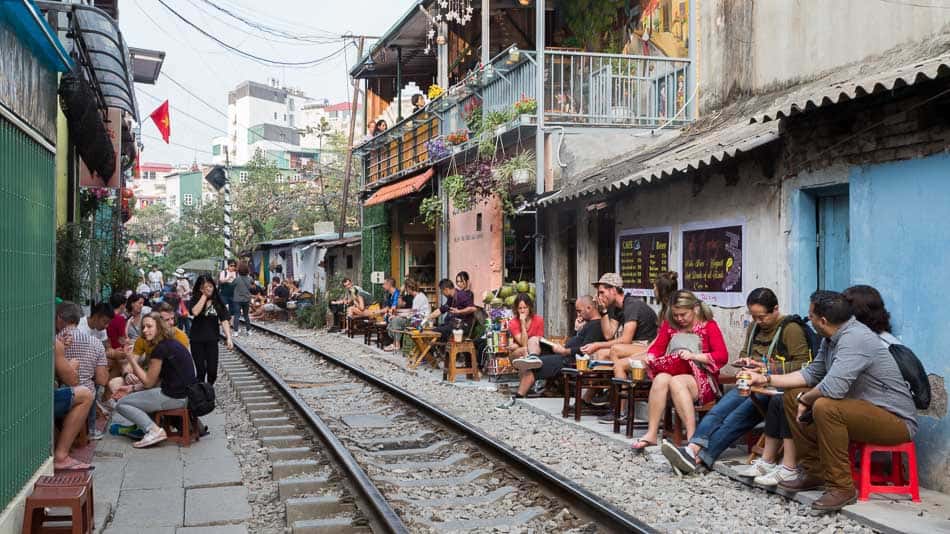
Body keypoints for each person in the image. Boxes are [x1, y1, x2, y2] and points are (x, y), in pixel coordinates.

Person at [747, 290, 917, 511]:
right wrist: (766, 378)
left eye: (811, 316)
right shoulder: (831, 338)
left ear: (823, 321)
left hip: (895, 421)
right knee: (790, 396)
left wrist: (806, 399)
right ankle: (814, 471)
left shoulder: (855, 339)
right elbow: (811, 374)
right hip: (860, 410)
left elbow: (833, 388)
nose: (808, 319)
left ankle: (842, 488)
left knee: (825, 406)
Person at [660, 288, 811, 482]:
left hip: (775, 387)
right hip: (750, 381)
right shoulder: (754, 327)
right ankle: (691, 449)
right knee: (719, 410)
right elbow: (743, 352)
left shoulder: (791, 329)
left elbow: (803, 365)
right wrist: (745, 362)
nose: (758, 321)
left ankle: (702, 459)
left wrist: (766, 368)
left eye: (762, 317)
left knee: (736, 418)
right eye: (754, 317)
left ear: (775, 310)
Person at [631, 290, 728, 452]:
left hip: (701, 378)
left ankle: (692, 438)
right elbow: (658, 347)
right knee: (661, 378)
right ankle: (652, 433)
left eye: (683, 315)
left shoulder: (708, 326)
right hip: (675, 372)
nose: (679, 319)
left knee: (677, 381)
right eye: (675, 315)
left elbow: (722, 356)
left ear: (695, 309)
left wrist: (694, 356)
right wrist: (651, 356)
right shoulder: (670, 325)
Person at [114, 313, 198, 448]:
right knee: (135, 397)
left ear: (159, 327)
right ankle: (152, 428)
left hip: (175, 397)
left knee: (121, 404)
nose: (145, 330)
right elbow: (156, 378)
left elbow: (148, 382)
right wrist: (132, 389)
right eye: (143, 327)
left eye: (149, 326)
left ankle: (153, 430)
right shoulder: (171, 344)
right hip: (186, 395)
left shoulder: (160, 349)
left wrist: (130, 359)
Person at [502, 295, 605, 406]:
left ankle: (518, 398)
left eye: (579, 311)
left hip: (568, 359)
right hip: (565, 354)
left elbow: (585, 350)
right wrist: (577, 330)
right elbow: (579, 342)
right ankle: (533, 357)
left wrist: (564, 351)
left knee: (531, 369)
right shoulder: (588, 323)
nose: (578, 314)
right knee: (534, 340)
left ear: (589, 308)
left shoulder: (595, 325)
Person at [56, 302, 109, 440]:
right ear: (78, 319)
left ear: (59, 319)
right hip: (76, 395)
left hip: (59, 390)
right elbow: (102, 380)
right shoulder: (96, 342)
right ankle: (90, 429)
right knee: (91, 386)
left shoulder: (53, 341)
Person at [581, 273, 658, 360]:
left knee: (602, 353)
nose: (599, 297)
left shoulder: (631, 305)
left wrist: (597, 345)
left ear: (613, 290)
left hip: (646, 346)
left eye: (602, 292)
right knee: (599, 353)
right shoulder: (617, 308)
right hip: (633, 345)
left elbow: (626, 340)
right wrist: (603, 311)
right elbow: (609, 335)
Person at [53, 337, 94, 470]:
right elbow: (73, 380)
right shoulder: (53, 341)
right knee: (85, 394)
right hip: (40, 401)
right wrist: (72, 366)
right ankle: (61, 456)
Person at [189, 274, 233, 384]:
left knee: (212, 371)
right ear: (200, 288)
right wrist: (204, 296)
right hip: (197, 340)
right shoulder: (195, 299)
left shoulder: (217, 300)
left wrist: (229, 338)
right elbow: (195, 312)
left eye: (210, 286)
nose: (208, 289)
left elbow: (224, 319)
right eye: (205, 287)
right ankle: (202, 396)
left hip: (212, 340)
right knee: (201, 371)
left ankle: (209, 388)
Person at [385, 278, 430, 351]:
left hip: (420, 322)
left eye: (406, 289)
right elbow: (412, 312)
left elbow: (412, 314)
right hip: (418, 319)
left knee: (396, 321)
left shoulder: (418, 298)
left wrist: (399, 315)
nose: (406, 291)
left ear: (408, 288)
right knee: (395, 319)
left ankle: (396, 344)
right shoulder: (419, 296)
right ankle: (395, 344)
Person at [507, 294, 544, 358]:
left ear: (530, 307)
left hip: (535, 350)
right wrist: (523, 325)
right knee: (523, 350)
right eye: (520, 308)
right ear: (516, 309)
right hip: (520, 352)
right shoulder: (513, 323)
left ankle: (532, 359)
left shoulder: (539, 320)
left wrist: (517, 346)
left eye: (525, 307)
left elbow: (537, 342)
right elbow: (523, 344)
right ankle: (529, 360)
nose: (522, 311)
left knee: (532, 344)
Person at [232, 261, 254, 335]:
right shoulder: (250, 279)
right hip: (246, 299)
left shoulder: (236, 279)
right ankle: (249, 331)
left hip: (237, 300)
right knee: (246, 315)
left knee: (237, 315)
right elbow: (253, 287)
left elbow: (232, 286)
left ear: (239, 271)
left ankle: (235, 332)